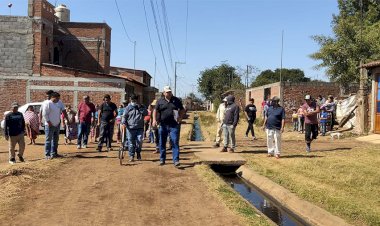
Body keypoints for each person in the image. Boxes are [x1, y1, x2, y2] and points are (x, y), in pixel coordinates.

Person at [152, 86, 185, 167]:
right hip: (163, 125)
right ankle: (162, 159)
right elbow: (155, 110)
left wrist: (180, 117)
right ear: (164, 93)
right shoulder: (160, 101)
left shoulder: (176, 100)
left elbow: (182, 109)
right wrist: (154, 120)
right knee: (162, 142)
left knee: (174, 142)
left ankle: (176, 160)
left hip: (174, 125)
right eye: (167, 92)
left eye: (169, 92)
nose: (169, 93)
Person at [122, 95, 148, 162]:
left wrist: (140, 107)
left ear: (137, 100)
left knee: (139, 141)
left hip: (139, 128)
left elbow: (146, 113)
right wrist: (123, 123)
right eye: (132, 100)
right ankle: (131, 155)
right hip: (130, 128)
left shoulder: (142, 107)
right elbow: (124, 116)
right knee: (131, 143)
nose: (133, 102)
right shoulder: (128, 108)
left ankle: (138, 152)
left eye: (135, 100)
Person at [42, 92, 66, 159]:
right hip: (49, 125)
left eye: (59, 98)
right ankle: (47, 154)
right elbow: (44, 114)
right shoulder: (48, 103)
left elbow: (62, 111)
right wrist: (49, 122)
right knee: (48, 140)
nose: (58, 100)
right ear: (53, 97)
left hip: (57, 124)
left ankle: (54, 153)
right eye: (57, 98)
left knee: (56, 140)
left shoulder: (58, 103)